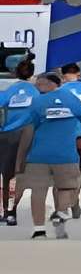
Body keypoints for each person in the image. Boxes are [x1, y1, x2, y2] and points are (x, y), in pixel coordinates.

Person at [23, 65, 81, 240]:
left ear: (49, 84)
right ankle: (61, 213)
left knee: (38, 191)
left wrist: (23, 153)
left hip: (39, 154)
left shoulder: (37, 102)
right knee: (67, 187)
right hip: (65, 154)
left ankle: (39, 229)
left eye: (41, 83)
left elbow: (31, 125)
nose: (38, 86)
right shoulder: (71, 99)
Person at [0, 59, 36, 222]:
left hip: (7, 135)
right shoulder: (36, 91)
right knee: (20, 175)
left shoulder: (9, 91)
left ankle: (5, 211)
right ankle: (12, 210)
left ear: (15, 73)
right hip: (28, 136)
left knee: (6, 176)